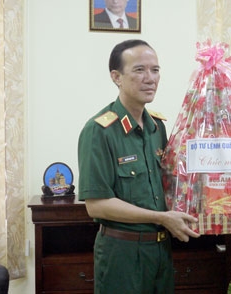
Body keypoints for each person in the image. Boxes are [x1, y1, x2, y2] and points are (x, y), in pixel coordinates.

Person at [78, 39, 200, 293]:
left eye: (155, 70)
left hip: (160, 249)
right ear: (116, 77)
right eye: (139, 70)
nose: (150, 78)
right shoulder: (99, 131)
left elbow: (169, 185)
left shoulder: (157, 127)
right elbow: (96, 205)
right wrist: (161, 218)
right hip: (122, 253)